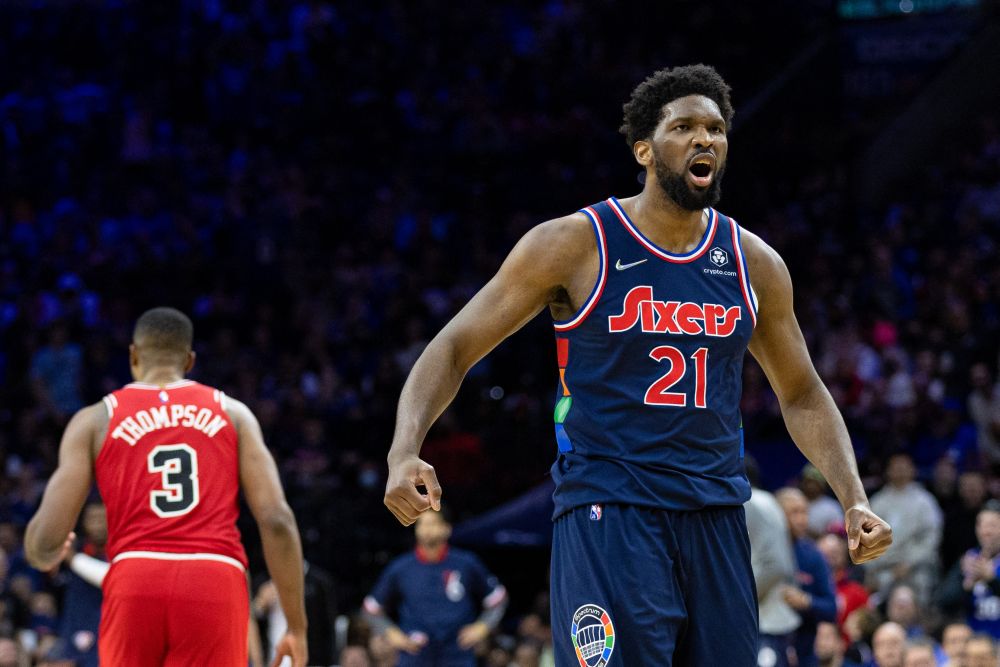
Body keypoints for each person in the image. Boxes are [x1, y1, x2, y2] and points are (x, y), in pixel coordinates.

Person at [382, 63, 892, 664]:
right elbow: (452, 347)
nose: (705, 139)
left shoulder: (754, 263)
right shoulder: (574, 243)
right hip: (611, 507)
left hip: (716, 514)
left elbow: (802, 393)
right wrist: (404, 449)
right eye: (684, 127)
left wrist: (854, 496)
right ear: (644, 149)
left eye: (716, 128)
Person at [23, 307, 308, 667]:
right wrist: (296, 627)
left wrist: (44, 550)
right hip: (213, 576)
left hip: (134, 576)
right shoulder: (234, 413)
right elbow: (278, 521)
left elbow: (44, 542)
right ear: (189, 361)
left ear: (133, 356)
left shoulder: (95, 418)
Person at [362, 508, 508, 666]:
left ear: (447, 528)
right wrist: (392, 634)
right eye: (422, 524)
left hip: (457, 653)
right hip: (415, 653)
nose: (427, 530)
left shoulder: (466, 563)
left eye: (432, 523)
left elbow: (498, 599)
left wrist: (482, 627)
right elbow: (371, 608)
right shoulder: (401, 567)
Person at [865, 453, 942, 604]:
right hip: (883, 568)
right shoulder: (877, 502)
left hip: (915, 568)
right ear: (888, 471)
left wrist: (908, 564)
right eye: (896, 467)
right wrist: (873, 568)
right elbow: (866, 539)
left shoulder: (925, 502)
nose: (900, 471)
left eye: (904, 467)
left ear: (913, 470)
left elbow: (931, 539)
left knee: (918, 592)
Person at [776, 487, 837, 666]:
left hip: (805, 650)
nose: (802, 519)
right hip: (767, 641)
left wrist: (806, 601)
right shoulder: (761, 552)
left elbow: (831, 608)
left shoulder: (813, 555)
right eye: (794, 513)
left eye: (805, 512)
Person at [938, 500, 1000, 638]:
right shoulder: (968, 559)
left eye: (992, 525)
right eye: (981, 525)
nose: (986, 531)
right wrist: (966, 584)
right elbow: (943, 602)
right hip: (974, 644)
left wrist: (991, 580)